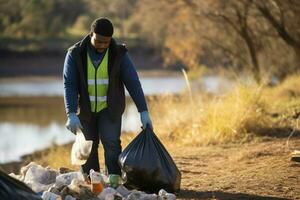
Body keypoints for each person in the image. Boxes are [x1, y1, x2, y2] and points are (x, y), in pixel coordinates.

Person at [63, 17, 153, 176]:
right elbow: (69, 84)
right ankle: (92, 184)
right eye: (98, 41)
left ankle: (114, 182)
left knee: (112, 145)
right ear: (91, 34)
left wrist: (143, 111)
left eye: (106, 42)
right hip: (85, 111)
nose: (102, 46)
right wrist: (70, 113)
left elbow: (133, 82)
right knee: (88, 148)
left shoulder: (119, 54)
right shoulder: (75, 54)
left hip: (110, 109)